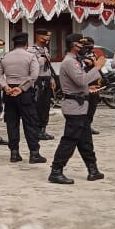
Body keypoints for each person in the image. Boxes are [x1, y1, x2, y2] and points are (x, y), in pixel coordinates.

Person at [49, 33, 107, 184]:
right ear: (74, 45)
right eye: (82, 44)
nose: (84, 48)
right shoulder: (70, 62)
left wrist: (88, 88)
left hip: (81, 106)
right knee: (69, 140)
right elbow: (81, 80)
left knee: (85, 140)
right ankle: (56, 171)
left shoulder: (75, 61)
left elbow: (80, 84)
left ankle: (92, 169)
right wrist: (97, 67)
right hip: (74, 107)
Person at [1, 32, 46, 164]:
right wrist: (21, 88)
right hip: (24, 92)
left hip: (9, 92)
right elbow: (34, 75)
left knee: (12, 123)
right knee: (30, 123)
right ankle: (34, 153)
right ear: (26, 44)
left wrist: (5, 86)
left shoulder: (5, 56)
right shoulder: (30, 56)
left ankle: (14, 153)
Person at [29, 28, 56, 141]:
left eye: (49, 37)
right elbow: (31, 66)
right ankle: (35, 130)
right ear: (39, 37)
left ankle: (43, 130)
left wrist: (52, 79)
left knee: (45, 106)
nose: (47, 39)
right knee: (37, 106)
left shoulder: (45, 49)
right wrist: (41, 60)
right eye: (45, 37)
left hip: (46, 79)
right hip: (37, 80)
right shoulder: (31, 50)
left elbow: (48, 67)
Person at [79, 36, 102, 135]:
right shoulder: (78, 55)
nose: (88, 48)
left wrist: (93, 61)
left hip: (94, 81)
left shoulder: (94, 54)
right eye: (86, 45)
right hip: (84, 82)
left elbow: (98, 66)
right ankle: (82, 126)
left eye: (90, 45)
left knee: (93, 105)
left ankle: (88, 125)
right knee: (83, 105)